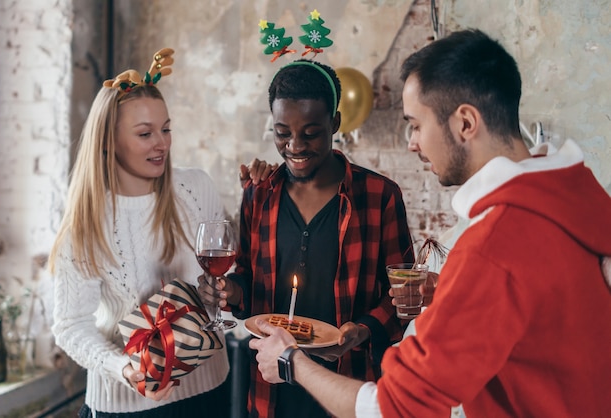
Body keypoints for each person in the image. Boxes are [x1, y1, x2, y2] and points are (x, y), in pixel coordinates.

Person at [248, 29, 611, 417]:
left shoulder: (493, 245)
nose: (412, 143)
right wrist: (448, 295)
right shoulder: (578, 200)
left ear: (465, 123)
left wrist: (290, 361)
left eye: (416, 124)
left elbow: (395, 409)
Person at [198, 59, 415, 418]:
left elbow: (402, 300)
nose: (295, 146)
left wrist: (362, 330)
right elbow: (248, 279)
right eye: (282, 133)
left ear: (335, 123)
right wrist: (231, 292)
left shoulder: (379, 196)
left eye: (311, 133)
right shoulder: (259, 194)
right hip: (272, 393)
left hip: (348, 385)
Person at [49, 48, 231, 418]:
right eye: (145, 133)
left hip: (211, 389)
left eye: (165, 129)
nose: (162, 143)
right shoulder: (87, 224)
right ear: (107, 141)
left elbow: (225, 276)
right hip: (129, 405)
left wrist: (219, 292)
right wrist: (124, 369)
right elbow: (71, 326)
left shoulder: (196, 188)